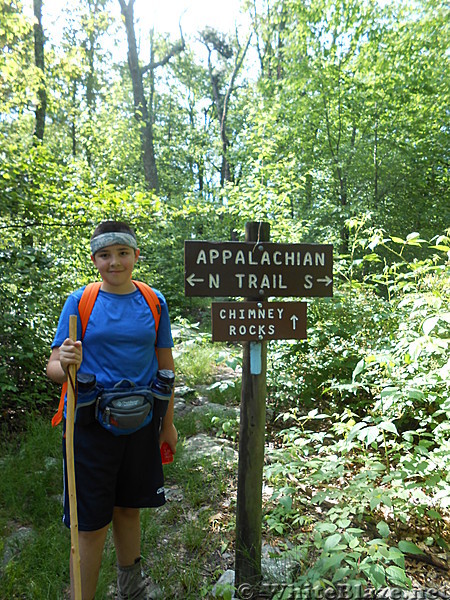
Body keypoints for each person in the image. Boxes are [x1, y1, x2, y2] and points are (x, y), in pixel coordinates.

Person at [46, 220, 177, 600]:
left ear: (136, 256)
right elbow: (55, 369)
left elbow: (165, 367)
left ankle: (132, 591)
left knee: (128, 510)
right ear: (94, 259)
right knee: (89, 525)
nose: (114, 262)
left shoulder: (154, 301)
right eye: (105, 255)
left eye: (122, 253)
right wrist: (66, 359)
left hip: (141, 422)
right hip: (89, 427)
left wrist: (166, 424)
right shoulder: (80, 302)